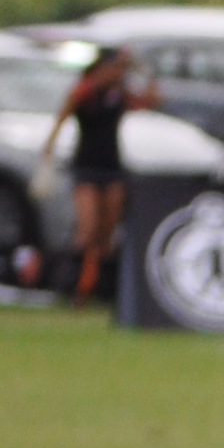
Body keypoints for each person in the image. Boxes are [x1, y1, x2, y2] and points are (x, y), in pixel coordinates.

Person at [58, 46, 150, 304]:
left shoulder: (119, 94)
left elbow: (152, 99)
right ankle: (72, 284)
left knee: (107, 232)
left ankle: (98, 286)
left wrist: (142, 71)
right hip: (86, 167)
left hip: (112, 167)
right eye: (115, 67)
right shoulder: (85, 91)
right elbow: (61, 118)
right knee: (87, 229)